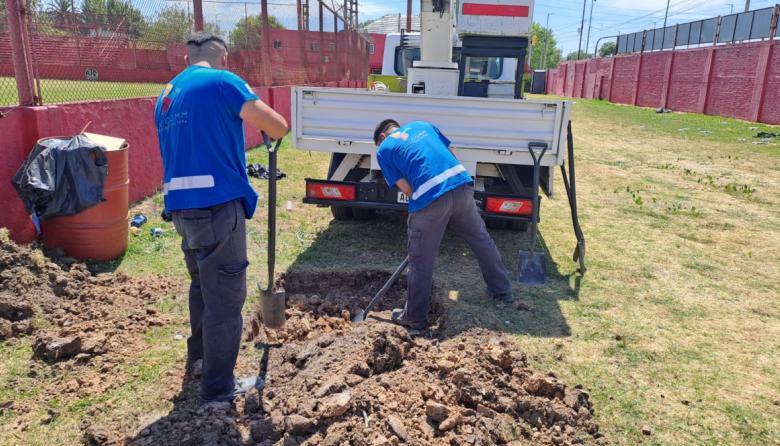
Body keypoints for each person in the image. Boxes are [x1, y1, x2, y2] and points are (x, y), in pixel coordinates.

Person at [155, 32, 288, 403]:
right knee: (226, 301)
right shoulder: (222, 81)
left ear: (186, 58)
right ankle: (218, 389)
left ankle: (200, 360)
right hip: (216, 207)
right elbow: (277, 126)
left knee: (201, 288)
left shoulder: (166, 95)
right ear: (222, 57)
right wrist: (266, 128)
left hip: (181, 209)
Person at [373, 119, 513, 331]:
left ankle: (415, 317)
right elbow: (451, 152)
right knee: (481, 241)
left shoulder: (384, 149)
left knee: (420, 260)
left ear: (382, 137)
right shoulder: (423, 125)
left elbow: (407, 189)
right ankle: (502, 291)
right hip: (461, 185)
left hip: (430, 200)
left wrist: (425, 211)